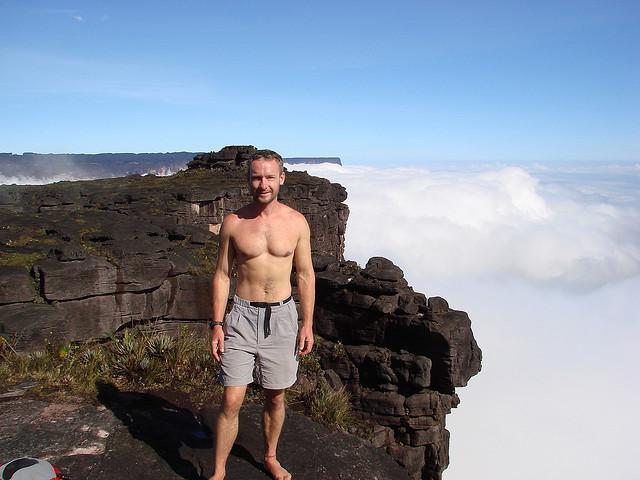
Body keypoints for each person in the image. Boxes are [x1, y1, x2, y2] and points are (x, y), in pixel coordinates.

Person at [209, 149, 315, 480]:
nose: (263, 184)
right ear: (248, 180)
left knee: (275, 396)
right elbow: (223, 275)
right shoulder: (234, 223)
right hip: (241, 316)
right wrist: (216, 324)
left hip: (282, 318)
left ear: (281, 178)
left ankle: (270, 456)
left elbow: (305, 275)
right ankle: (219, 472)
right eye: (256, 177)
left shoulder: (297, 223)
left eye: (270, 176)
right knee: (231, 399)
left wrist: (307, 323)